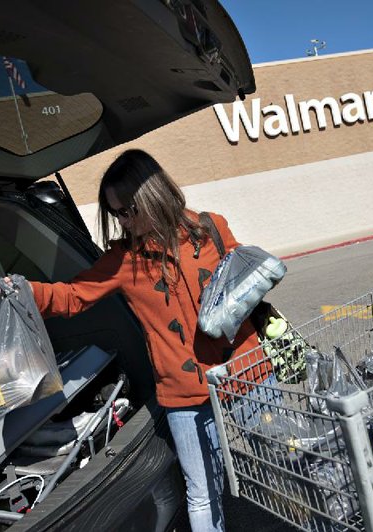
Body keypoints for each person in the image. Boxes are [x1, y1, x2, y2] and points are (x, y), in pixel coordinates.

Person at [19, 149, 265, 532]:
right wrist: (25, 292)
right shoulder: (123, 261)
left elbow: (246, 280)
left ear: (154, 194)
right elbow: (72, 296)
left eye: (129, 210)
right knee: (202, 493)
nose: (124, 221)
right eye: (116, 213)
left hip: (244, 368)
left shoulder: (211, 229)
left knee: (290, 461)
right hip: (183, 390)